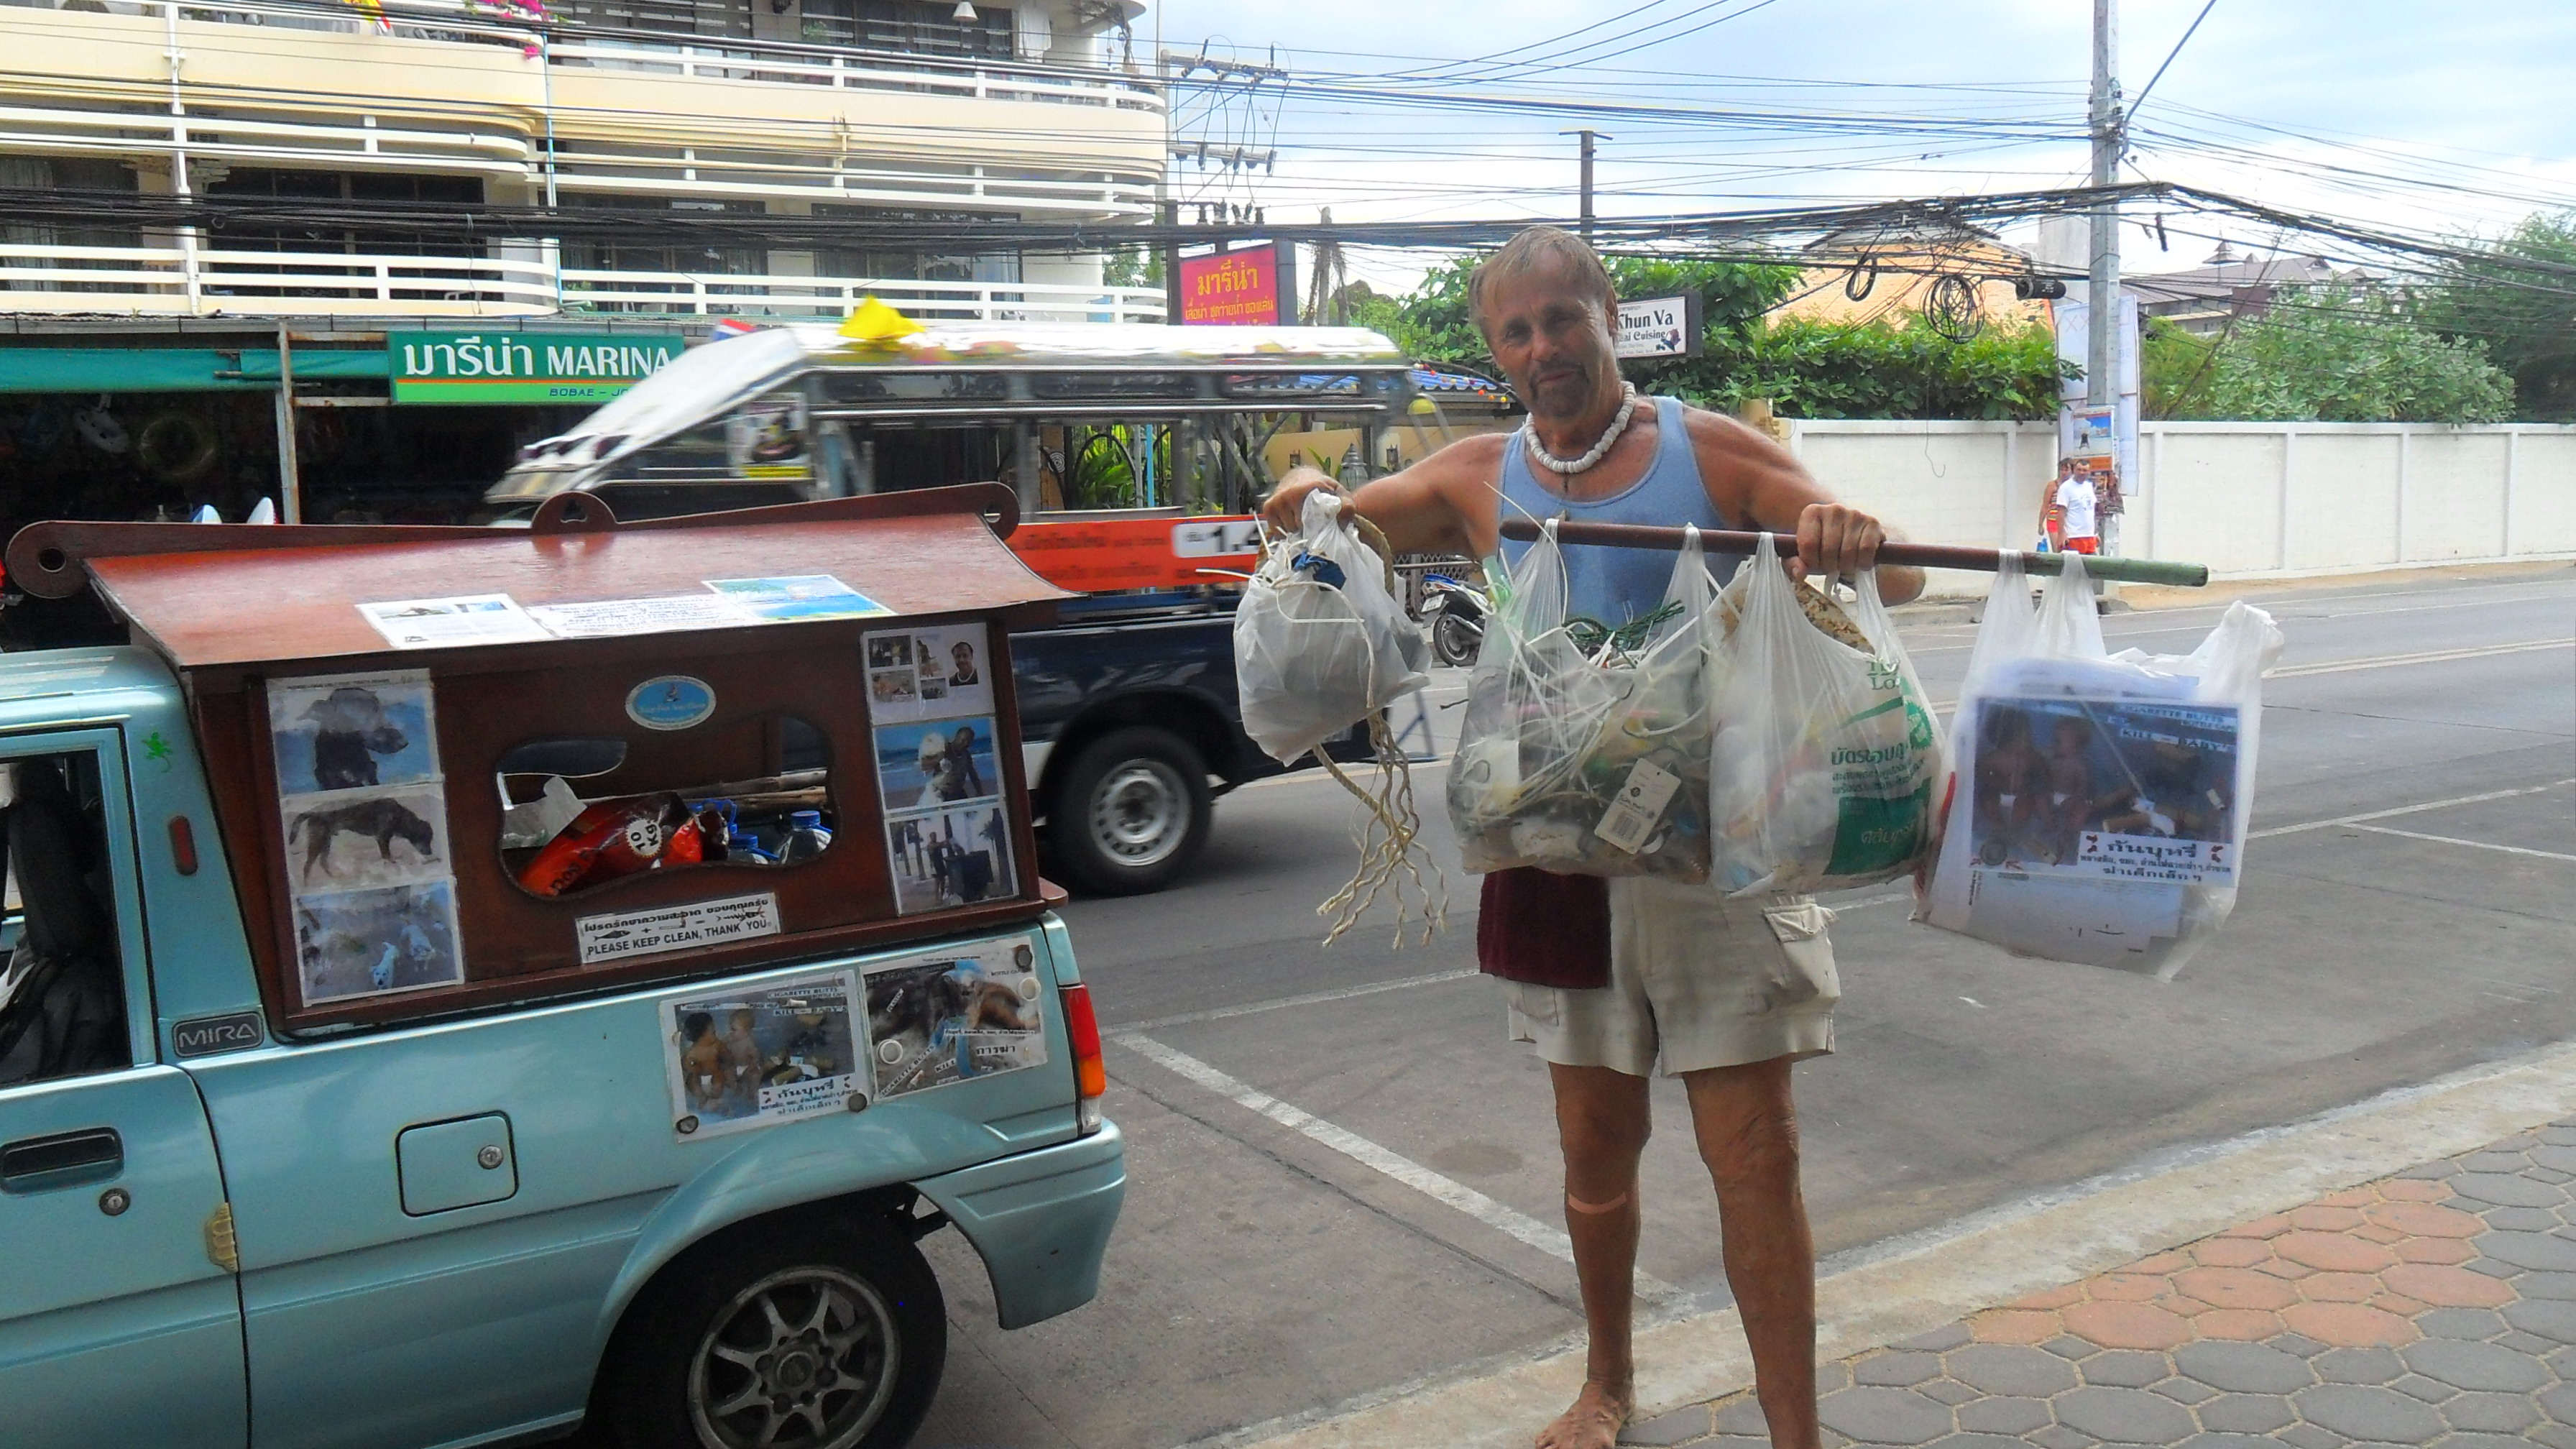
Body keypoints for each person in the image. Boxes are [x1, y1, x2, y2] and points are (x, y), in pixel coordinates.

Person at [1261, 225, 1920, 1449]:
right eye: (1514, 331)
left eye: (1561, 318)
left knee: (1753, 1158)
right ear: (1495, 353)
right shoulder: (1476, 474)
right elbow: (1349, 524)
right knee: (1591, 1156)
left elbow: (1895, 576)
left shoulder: (1708, 449)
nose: (1541, 347)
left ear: (1609, 316)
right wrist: (1307, 498)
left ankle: (1796, 1438)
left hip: (1720, 858)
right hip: (1553, 854)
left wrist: (1840, 535)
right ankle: (1605, 1381)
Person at [2046, 459, 2100, 556]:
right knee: (2075, 568)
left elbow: (2091, 511)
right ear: (2074, 470)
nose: (2081, 473)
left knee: (2094, 568)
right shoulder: (2066, 487)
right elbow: (2061, 513)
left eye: (2085, 470)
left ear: (2089, 472)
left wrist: (2095, 533)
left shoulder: (2089, 486)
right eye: (2079, 470)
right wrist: (2061, 534)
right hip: (2074, 536)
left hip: (2089, 536)